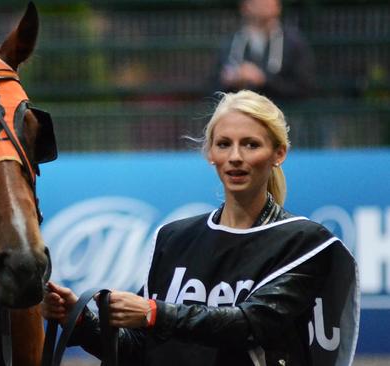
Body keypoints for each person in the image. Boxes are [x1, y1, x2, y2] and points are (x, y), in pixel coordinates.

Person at [42, 90, 359, 366]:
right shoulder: (174, 238)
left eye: (250, 144)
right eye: (224, 144)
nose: (235, 157)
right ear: (211, 154)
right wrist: (80, 319)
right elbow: (137, 352)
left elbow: (251, 324)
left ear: (279, 153)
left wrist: (154, 313)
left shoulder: (306, 243)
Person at [215, 0, 314, 100]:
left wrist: (263, 80)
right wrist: (231, 81)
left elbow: (304, 88)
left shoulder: (293, 42)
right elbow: (213, 89)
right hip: (242, 111)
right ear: (245, 6)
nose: (264, 3)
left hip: (283, 111)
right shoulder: (232, 42)